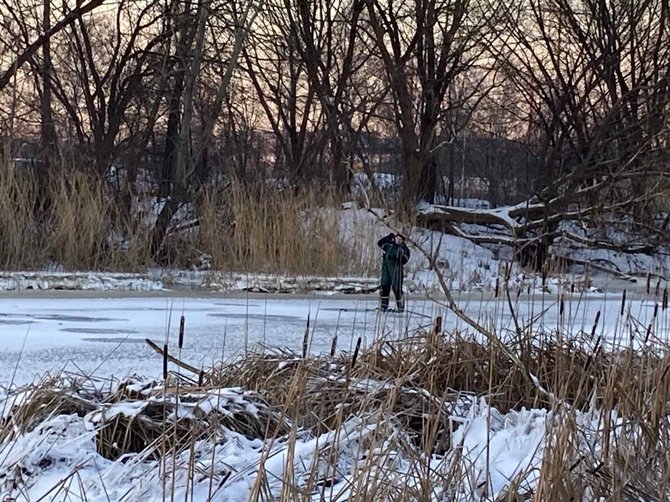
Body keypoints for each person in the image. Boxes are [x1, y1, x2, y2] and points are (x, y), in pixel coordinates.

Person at [377, 232, 410, 312]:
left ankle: (400, 307)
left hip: (396, 271)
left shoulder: (403, 248)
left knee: (397, 289)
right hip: (386, 270)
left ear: (402, 241)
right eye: (397, 238)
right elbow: (379, 243)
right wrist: (388, 237)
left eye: (400, 240)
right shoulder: (389, 245)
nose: (398, 240)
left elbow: (405, 259)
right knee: (384, 287)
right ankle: (384, 306)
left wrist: (398, 258)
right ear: (395, 238)